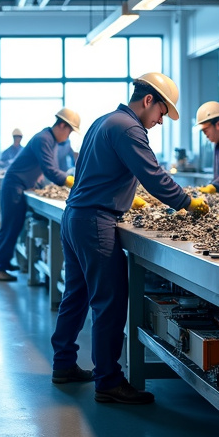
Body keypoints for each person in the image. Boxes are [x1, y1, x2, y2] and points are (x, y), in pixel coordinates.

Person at [50, 72, 209, 405]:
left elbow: (92, 171)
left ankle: (63, 364)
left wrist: (124, 194)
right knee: (109, 301)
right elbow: (153, 174)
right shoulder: (129, 127)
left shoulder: (104, 121)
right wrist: (186, 202)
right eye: (162, 113)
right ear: (149, 101)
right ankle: (108, 381)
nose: (160, 121)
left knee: (76, 295)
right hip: (96, 222)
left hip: (75, 216)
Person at [0, 108, 80, 282]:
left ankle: (4, 261)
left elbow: (37, 169)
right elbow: (49, 169)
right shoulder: (43, 139)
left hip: (20, 185)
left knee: (14, 227)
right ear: (62, 125)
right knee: (9, 228)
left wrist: (39, 185)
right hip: (14, 186)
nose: (68, 136)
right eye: (69, 131)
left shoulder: (49, 139)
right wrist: (72, 182)